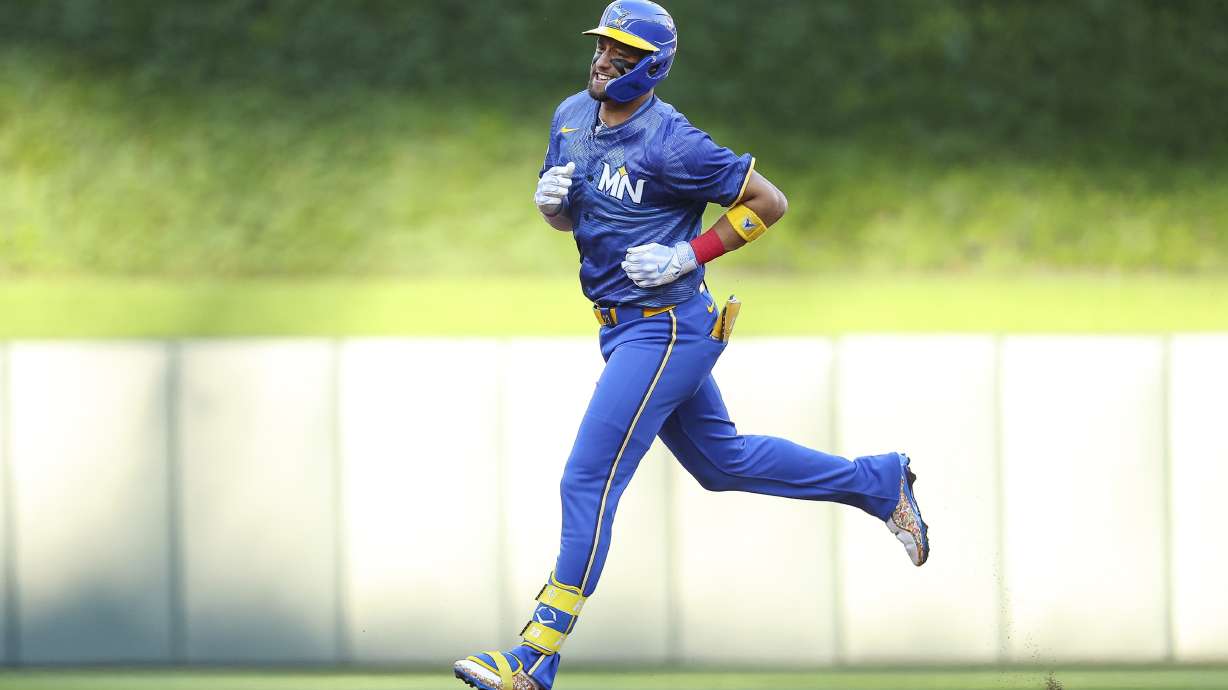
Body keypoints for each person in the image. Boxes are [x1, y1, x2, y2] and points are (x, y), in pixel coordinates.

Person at [453, 3, 929, 689]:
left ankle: (535, 657)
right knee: (721, 461)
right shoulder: (569, 118)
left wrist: (690, 252)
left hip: (666, 325)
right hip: (622, 326)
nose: (602, 59)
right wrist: (550, 204)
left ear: (649, 66)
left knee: (587, 477)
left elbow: (769, 202)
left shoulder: (672, 141)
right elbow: (569, 221)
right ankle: (878, 482)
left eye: (619, 52)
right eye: (601, 46)